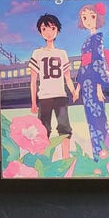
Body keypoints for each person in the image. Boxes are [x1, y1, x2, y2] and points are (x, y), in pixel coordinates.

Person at [29, 14, 77, 159]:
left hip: (61, 96)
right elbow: (33, 80)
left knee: (64, 128)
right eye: (44, 29)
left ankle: (66, 159)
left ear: (57, 30)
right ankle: (43, 160)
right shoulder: (37, 53)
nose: (49, 32)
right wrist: (33, 102)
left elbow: (67, 77)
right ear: (40, 32)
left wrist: (73, 91)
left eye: (52, 28)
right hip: (44, 97)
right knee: (43, 129)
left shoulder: (62, 53)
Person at [75, 3, 109, 161]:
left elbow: (98, 61)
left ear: (97, 18)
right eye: (84, 17)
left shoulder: (97, 39)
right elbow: (83, 65)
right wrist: (78, 88)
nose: (88, 20)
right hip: (86, 84)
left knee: (99, 117)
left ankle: (107, 153)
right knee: (91, 119)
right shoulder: (88, 40)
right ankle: (98, 154)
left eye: (91, 16)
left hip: (93, 83)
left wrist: (99, 87)